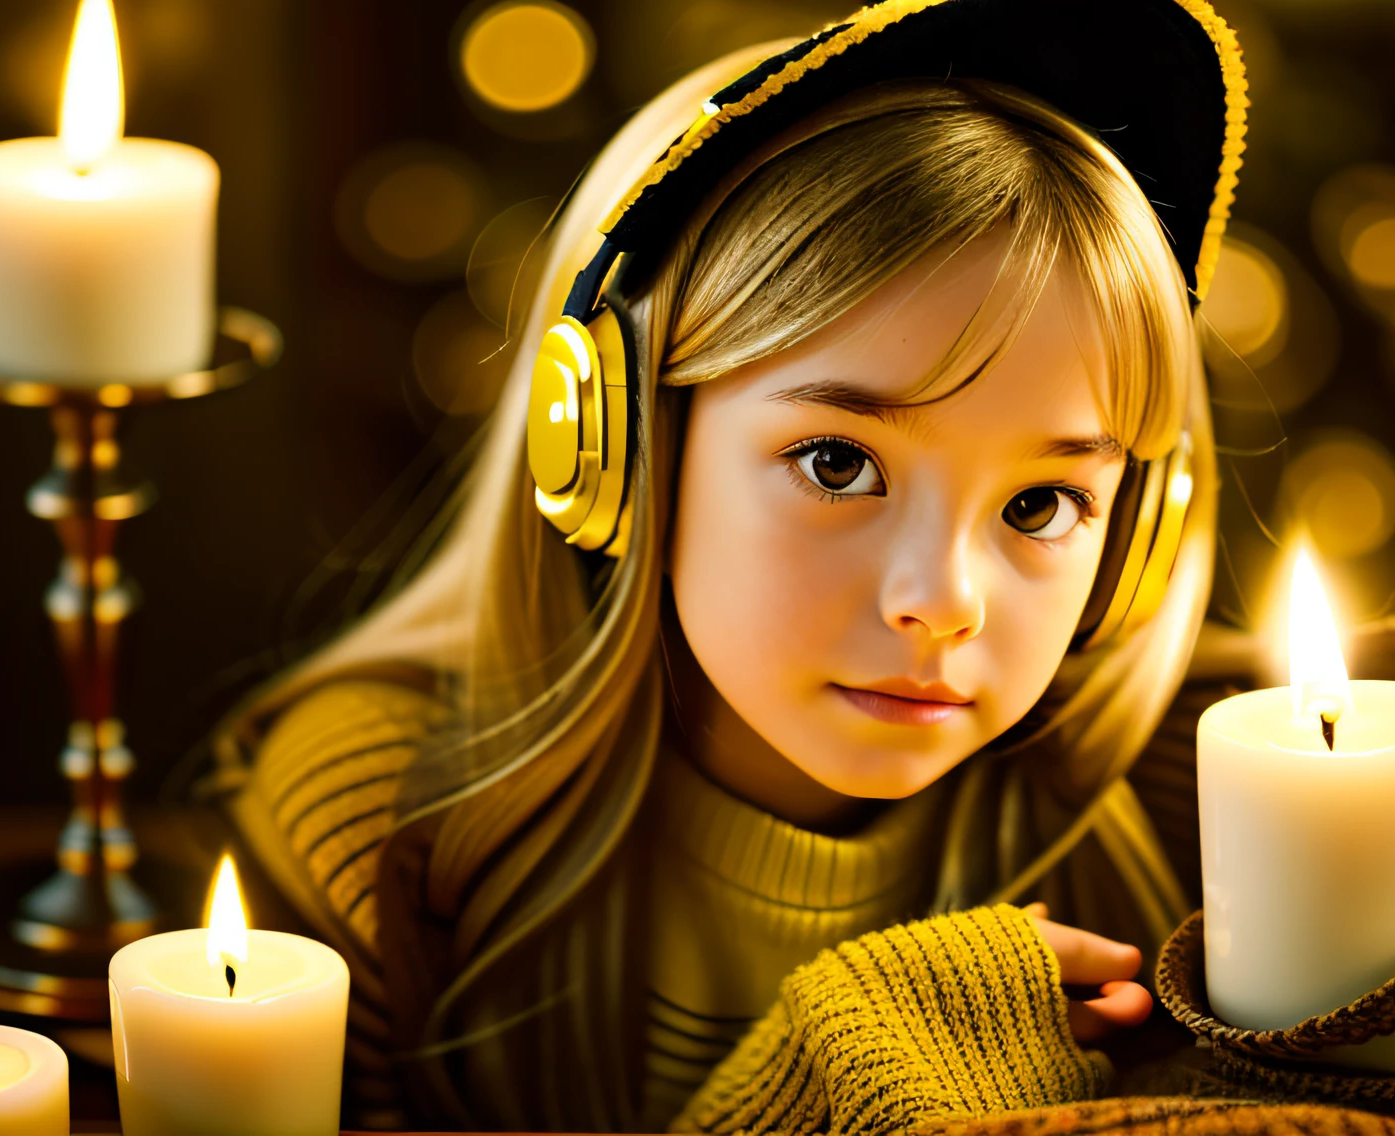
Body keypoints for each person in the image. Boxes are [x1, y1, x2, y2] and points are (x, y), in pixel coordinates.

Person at [210, 1, 1251, 1129]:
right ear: (612, 448)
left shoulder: (1161, 823)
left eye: (1042, 502)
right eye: (839, 464)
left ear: (1137, 529)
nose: (941, 602)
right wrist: (826, 1077)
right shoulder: (377, 837)